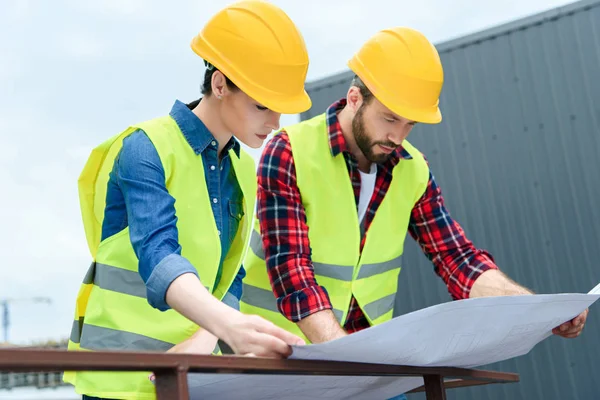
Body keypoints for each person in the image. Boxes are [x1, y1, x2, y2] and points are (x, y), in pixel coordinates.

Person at [240, 27, 589, 400]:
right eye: (390, 119)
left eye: (409, 124)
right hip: (279, 356)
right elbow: (291, 269)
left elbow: (457, 259)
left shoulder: (412, 168)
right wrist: (344, 361)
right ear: (354, 98)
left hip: (365, 364)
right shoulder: (289, 150)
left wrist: (538, 311)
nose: (398, 137)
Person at [63, 1, 311, 399]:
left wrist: (208, 334)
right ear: (219, 85)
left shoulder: (244, 170)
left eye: (280, 108)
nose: (274, 122)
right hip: (119, 375)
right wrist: (227, 326)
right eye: (261, 105)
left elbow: (231, 271)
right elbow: (158, 254)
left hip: (194, 370)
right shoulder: (145, 147)